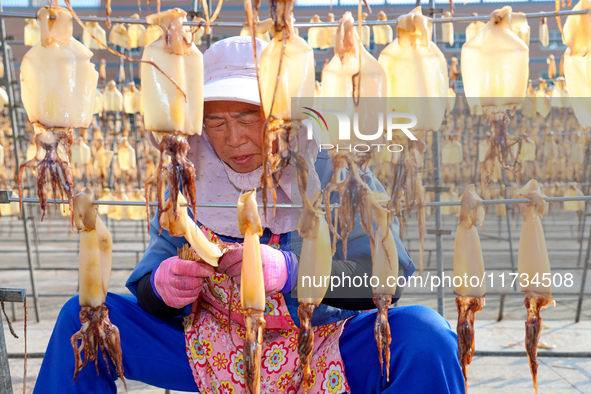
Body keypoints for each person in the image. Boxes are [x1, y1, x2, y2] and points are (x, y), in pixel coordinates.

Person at [34, 36, 465, 394]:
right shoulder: (188, 179)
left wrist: (296, 272)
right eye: (216, 124)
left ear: (279, 118)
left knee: (425, 334)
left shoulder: (337, 173)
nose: (234, 139)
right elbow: (150, 275)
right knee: (81, 318)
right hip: (207, 347)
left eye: (248, 117)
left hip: (318, 343)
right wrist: (162, 286)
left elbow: (389, 277)